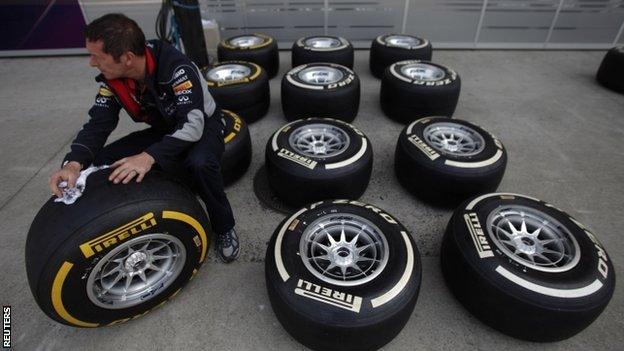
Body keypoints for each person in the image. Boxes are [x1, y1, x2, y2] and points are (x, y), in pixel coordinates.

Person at [48, 13, 239, 263]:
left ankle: (224, 227)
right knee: (101, 160)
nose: (91, 63)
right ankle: (107, 218)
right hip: (164, 128)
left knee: (200, 163)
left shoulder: (177, 68)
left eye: (98, 57)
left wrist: (148, 157)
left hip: (202, 125)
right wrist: (73, 163)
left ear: (127, 58)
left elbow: (192, 126)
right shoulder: (113, 79)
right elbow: (98, 123)